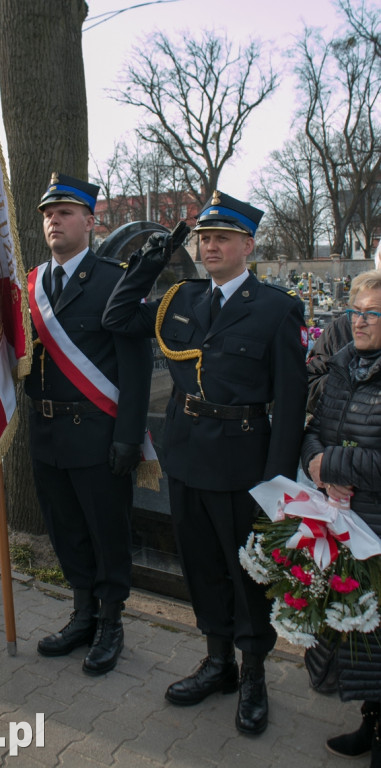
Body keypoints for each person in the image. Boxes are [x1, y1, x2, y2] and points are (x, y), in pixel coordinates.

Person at [102, 190, 308, 734]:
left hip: (243, 462)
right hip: (187, 454)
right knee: (200, 567)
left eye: (222, 237)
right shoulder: (184, 300)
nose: (210, 246)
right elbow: (118, 316)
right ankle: (218, 663)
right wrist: (148, 262)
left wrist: (277, 480)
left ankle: (254, 673)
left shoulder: (276, 308)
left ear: (248, 244)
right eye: (204, 238)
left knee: (246, 575)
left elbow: (290, 402)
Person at [25, 172, 152, 675]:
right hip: (47, 433)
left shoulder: (116, 279)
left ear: (90, 222)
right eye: (48, 214)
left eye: (64, 212)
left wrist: (128, 437)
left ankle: (112, 622)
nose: (53, 220)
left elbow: (137, 368)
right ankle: (82, 613)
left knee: (106, 532)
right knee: (66, 530)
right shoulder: (32, 284)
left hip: (98, 434)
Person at [302, 269, 381, 766]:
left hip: (376, 527)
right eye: (356, 311)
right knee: (361, 636)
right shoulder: (342, 365)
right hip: (342, 523)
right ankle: (371, 724)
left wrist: (331, 464)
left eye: (373, 314)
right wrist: (315, 462)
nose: (360, 322)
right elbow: (314, 428)